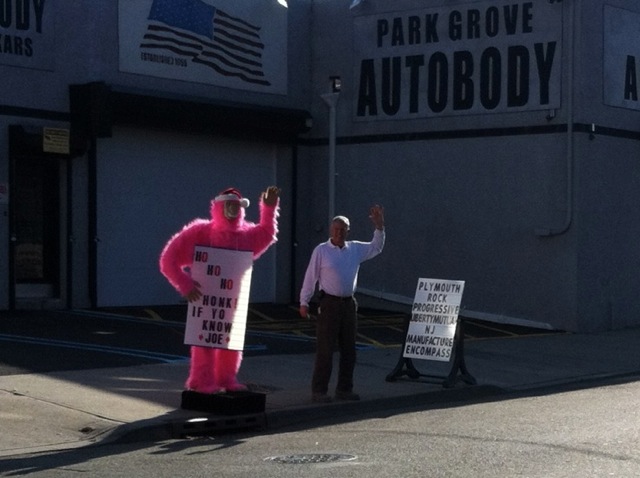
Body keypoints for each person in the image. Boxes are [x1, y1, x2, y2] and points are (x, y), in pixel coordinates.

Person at [160, 186, 280, 394]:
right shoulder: (200, 232)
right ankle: (200, 381)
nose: (232, 209)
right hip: (206, 299)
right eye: (228, 205)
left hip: (232, 301)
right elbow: (167, 260)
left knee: (230, 340)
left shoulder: (246, 236)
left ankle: (226, 379)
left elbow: (267, 234)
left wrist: (269, 208)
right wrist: (185, 284)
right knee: (204, 339)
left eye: (236, 205)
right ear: (218, 206)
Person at [299, 205, 385, 403]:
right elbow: (310, 277)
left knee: (349, 349)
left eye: (342, 229)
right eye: (336, 229)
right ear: (331, 230)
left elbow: (376, 247)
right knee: (325, 349)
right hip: (329, 303)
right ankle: (319, 391)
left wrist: (379, 227)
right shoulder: (321, 251)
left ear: (348, 231)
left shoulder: (354, 248)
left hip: (348, 304)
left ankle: (344, 389)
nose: (339, 232)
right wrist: (304, 301)